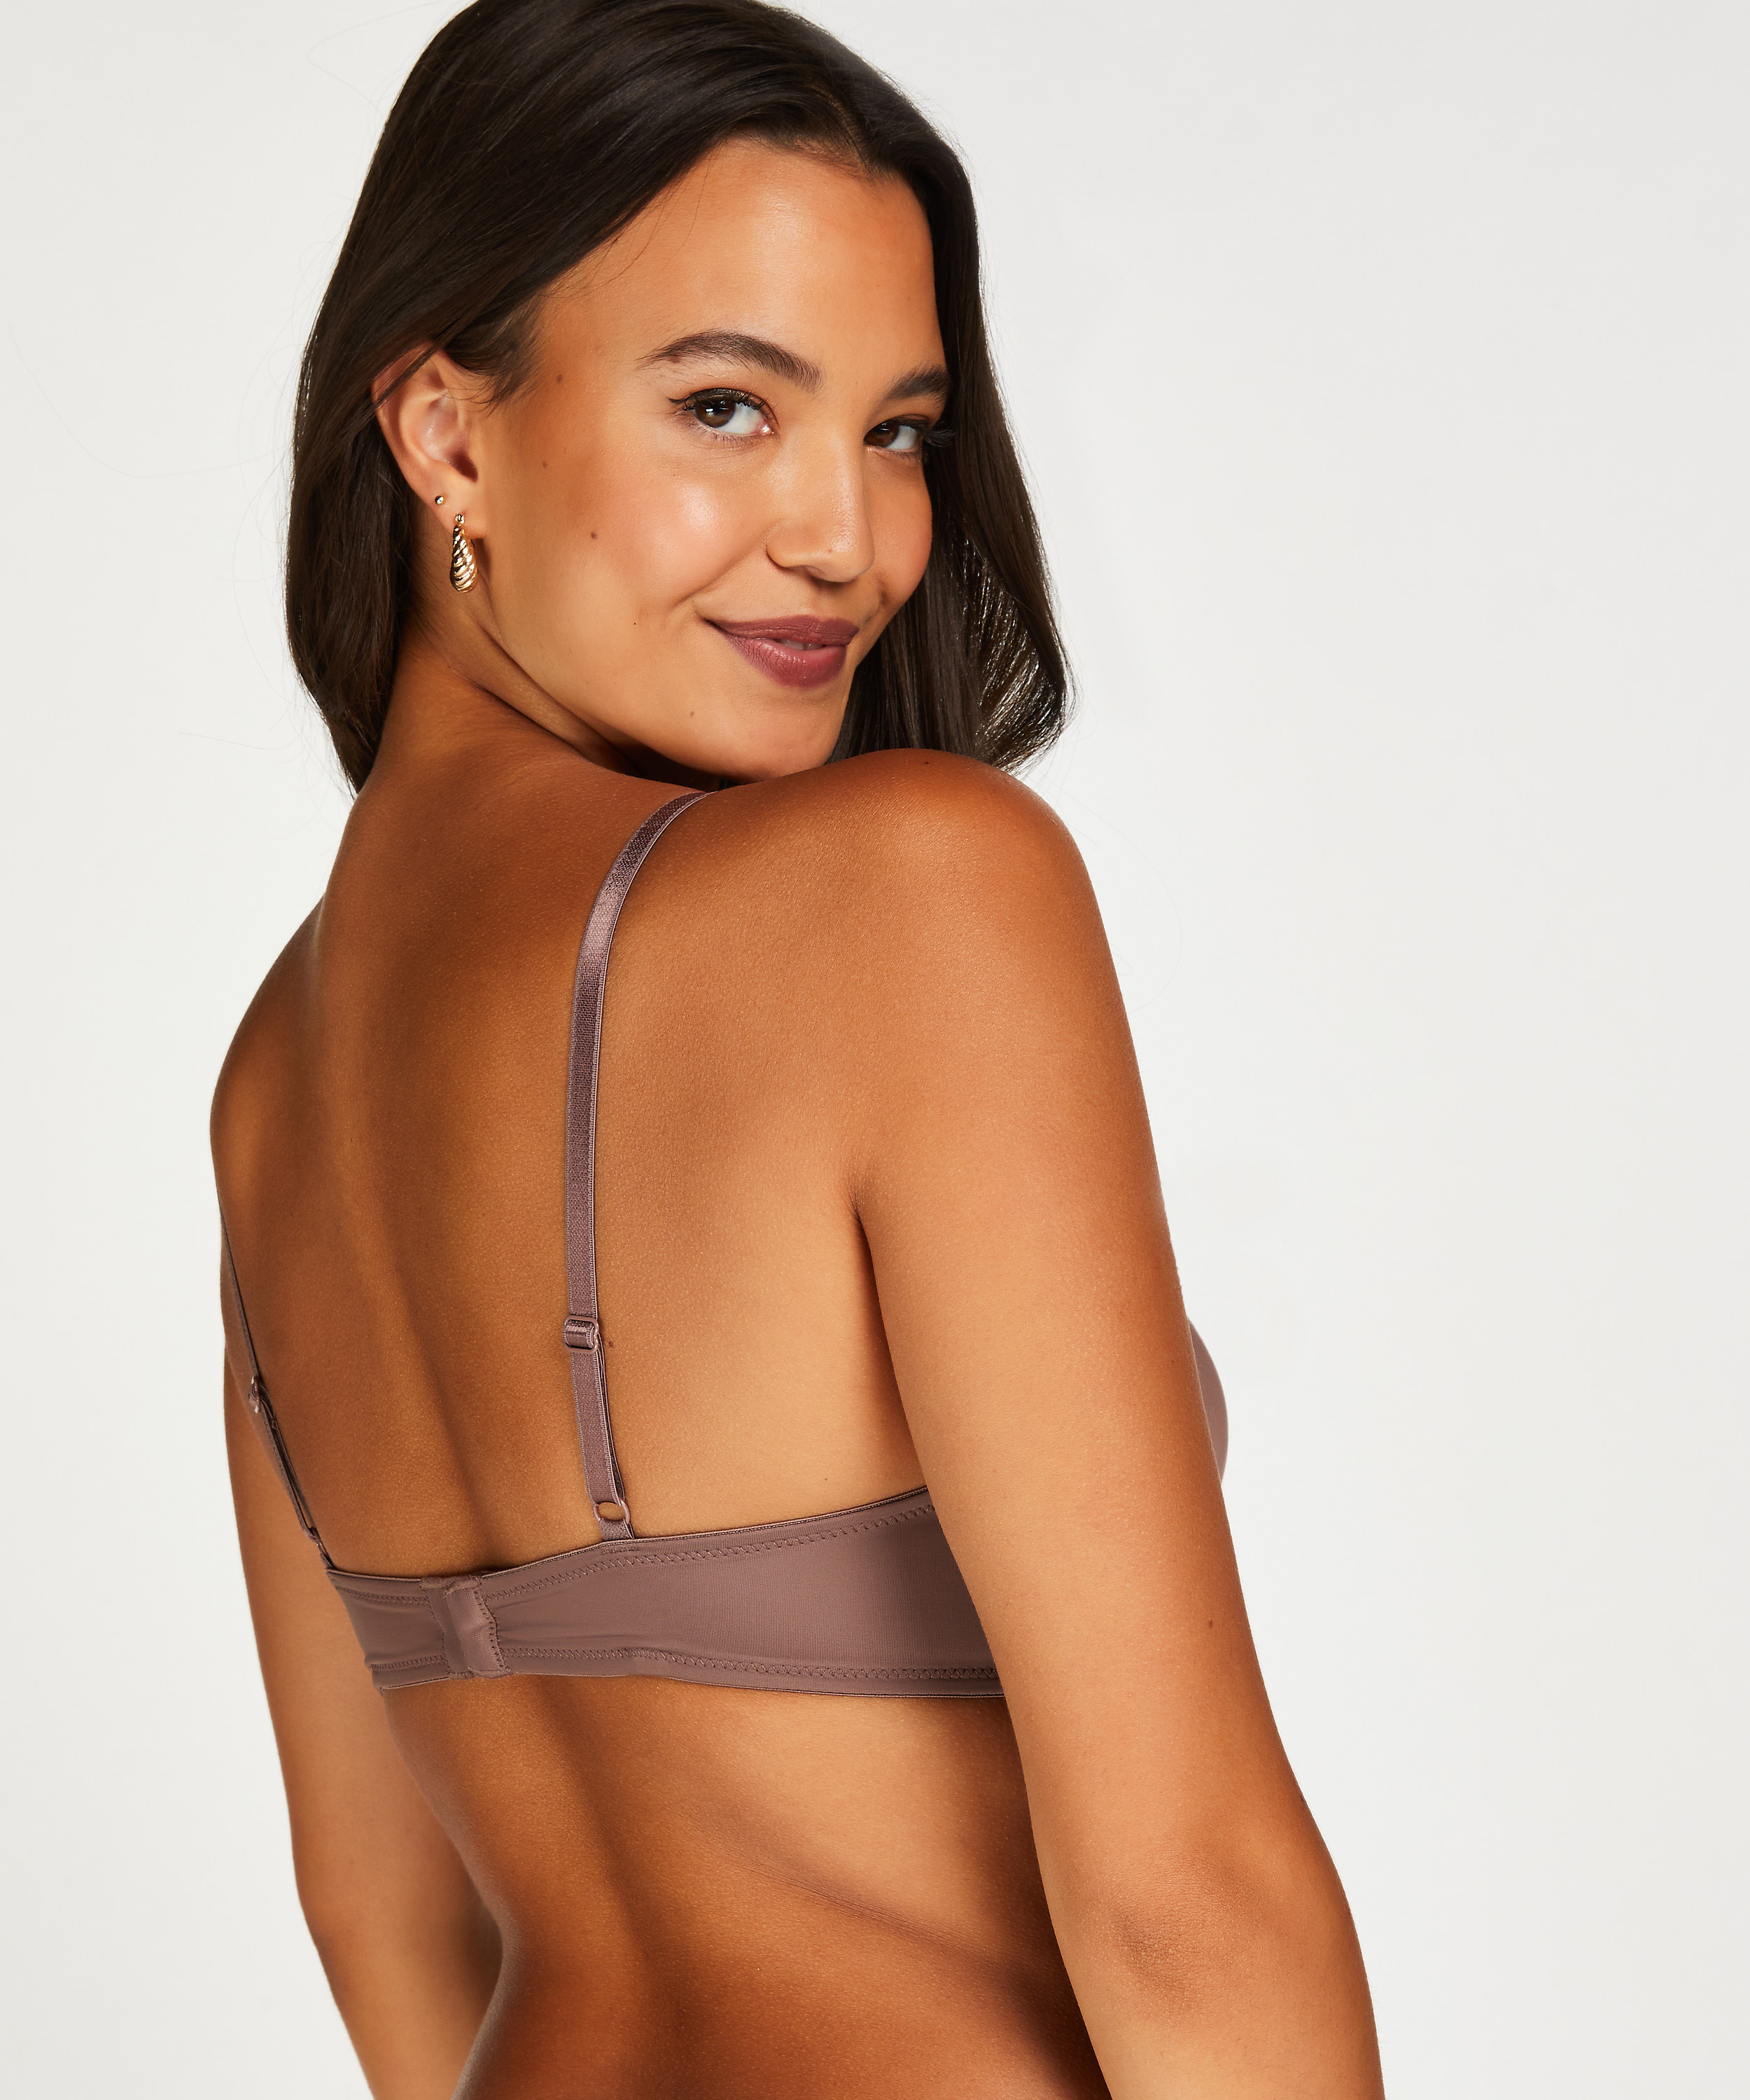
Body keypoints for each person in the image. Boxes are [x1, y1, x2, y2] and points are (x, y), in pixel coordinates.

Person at [212, 2, 1383, 2093]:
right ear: (444, 432)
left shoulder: (271, 1084)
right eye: (727, 408)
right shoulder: (908, 892)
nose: (849, 537)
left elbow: (380, 1916)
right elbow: (1184, 1899)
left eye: (899, 431)